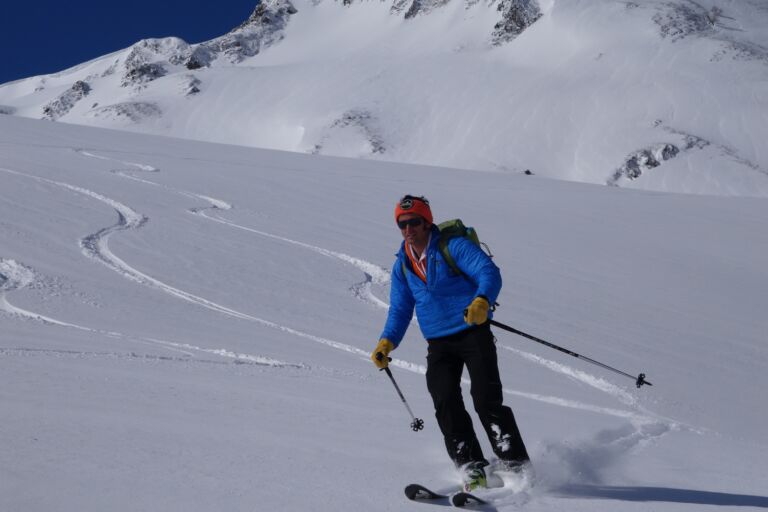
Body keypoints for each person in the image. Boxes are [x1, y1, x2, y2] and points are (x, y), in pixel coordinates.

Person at [371, 194, 530, 491]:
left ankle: (515, 464)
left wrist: (482, 300)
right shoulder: (403, 264)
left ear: (426, 221)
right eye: (402, 224)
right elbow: (400, 309)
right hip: (438, 343)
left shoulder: (452, 246)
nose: (408, 229)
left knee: (485, 399)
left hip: (472, 333)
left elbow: (488, 272)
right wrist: (386, 342)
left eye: (414, 222)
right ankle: (471, 466)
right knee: (445, 400)